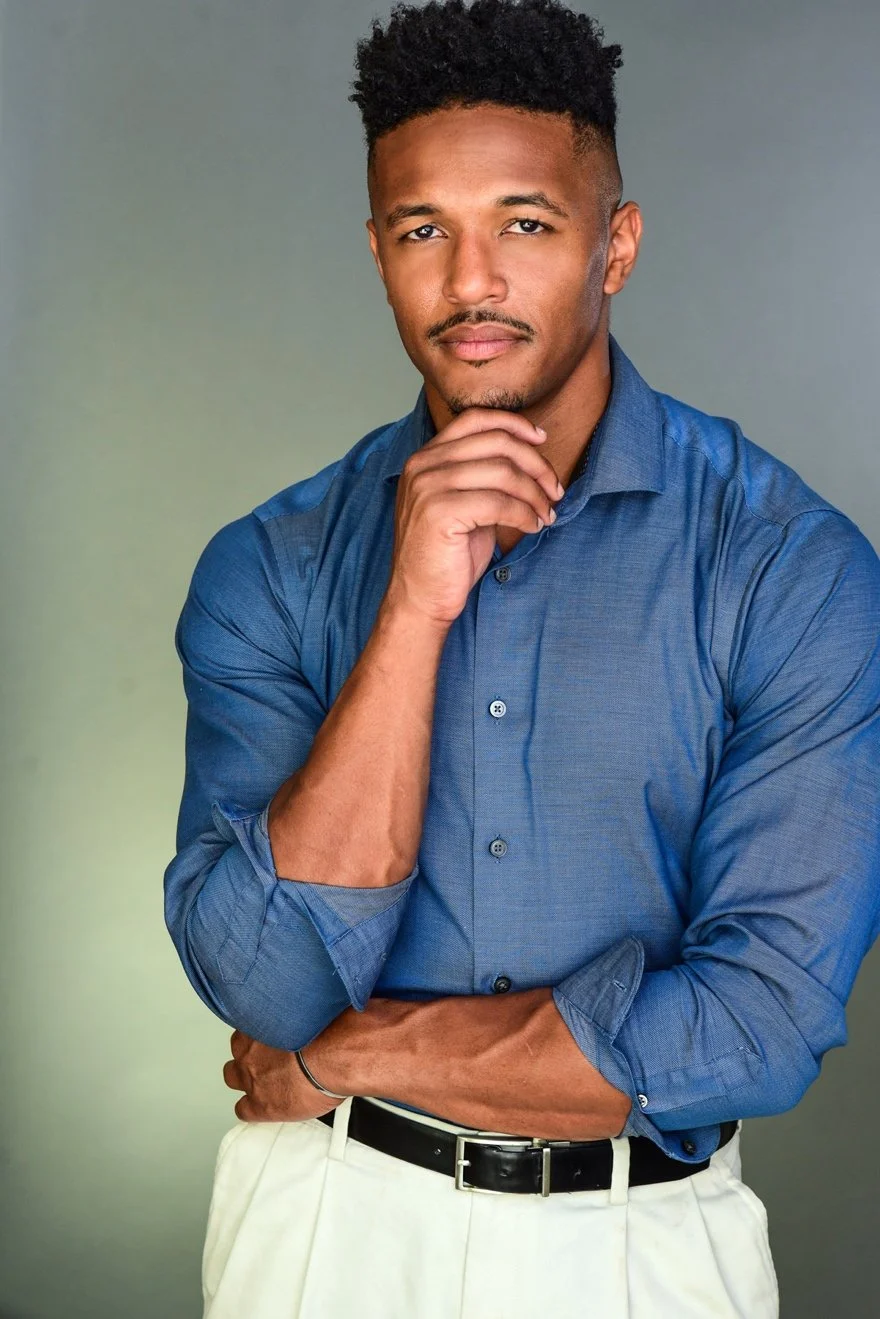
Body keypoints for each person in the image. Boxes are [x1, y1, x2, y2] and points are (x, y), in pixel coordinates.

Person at [163, 1, 880, 1315]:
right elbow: (263, 976)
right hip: (324, 1234)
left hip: (640, 1245)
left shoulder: (791, 566)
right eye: (422, 228)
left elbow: (755, 1025)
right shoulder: (266, 567)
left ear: (617, 247)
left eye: (526, 224)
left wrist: (348, 1055)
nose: (470, 282)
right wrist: (413, 612)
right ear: (377, 249)